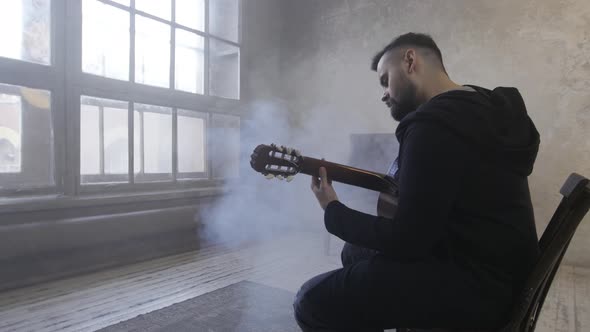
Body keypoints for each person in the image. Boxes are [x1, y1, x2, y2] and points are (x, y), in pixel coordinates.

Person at [293, 32, 541, 331]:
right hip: (504, 275)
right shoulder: (482, 108)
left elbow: (408, 240)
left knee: (310, 301)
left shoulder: (435, 125)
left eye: (385, 79)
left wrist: (332, 209)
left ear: (410, 60)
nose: (383, 93)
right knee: (353, 252)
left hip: (474, 288)